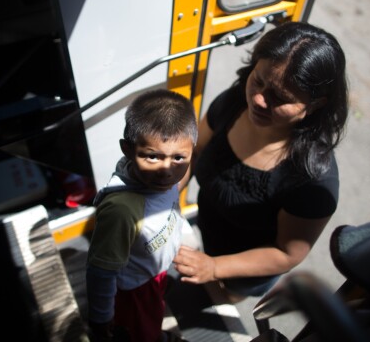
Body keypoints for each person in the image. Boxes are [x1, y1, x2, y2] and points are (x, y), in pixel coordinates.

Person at [173, 21, 349, 298]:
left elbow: (287, 253)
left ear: (315, 105)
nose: (258, 99)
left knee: (226, 296)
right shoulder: (233, 102)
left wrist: (215, 267)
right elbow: (194, 152)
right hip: (207, 233)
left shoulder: (314, 180)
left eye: (280, 97)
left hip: (244, 271)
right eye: (258, 80)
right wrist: (168, 191)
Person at [86, 89, 198, 342]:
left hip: (154, 274)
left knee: (154, 316)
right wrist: (101, 318)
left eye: (179, 157)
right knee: (141, 332)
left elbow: (170, 210)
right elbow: (101, 272)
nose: (166, 171)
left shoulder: (162, 180)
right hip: (134, 290)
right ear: (127, 149)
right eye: (152, 156)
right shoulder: (122, 211)